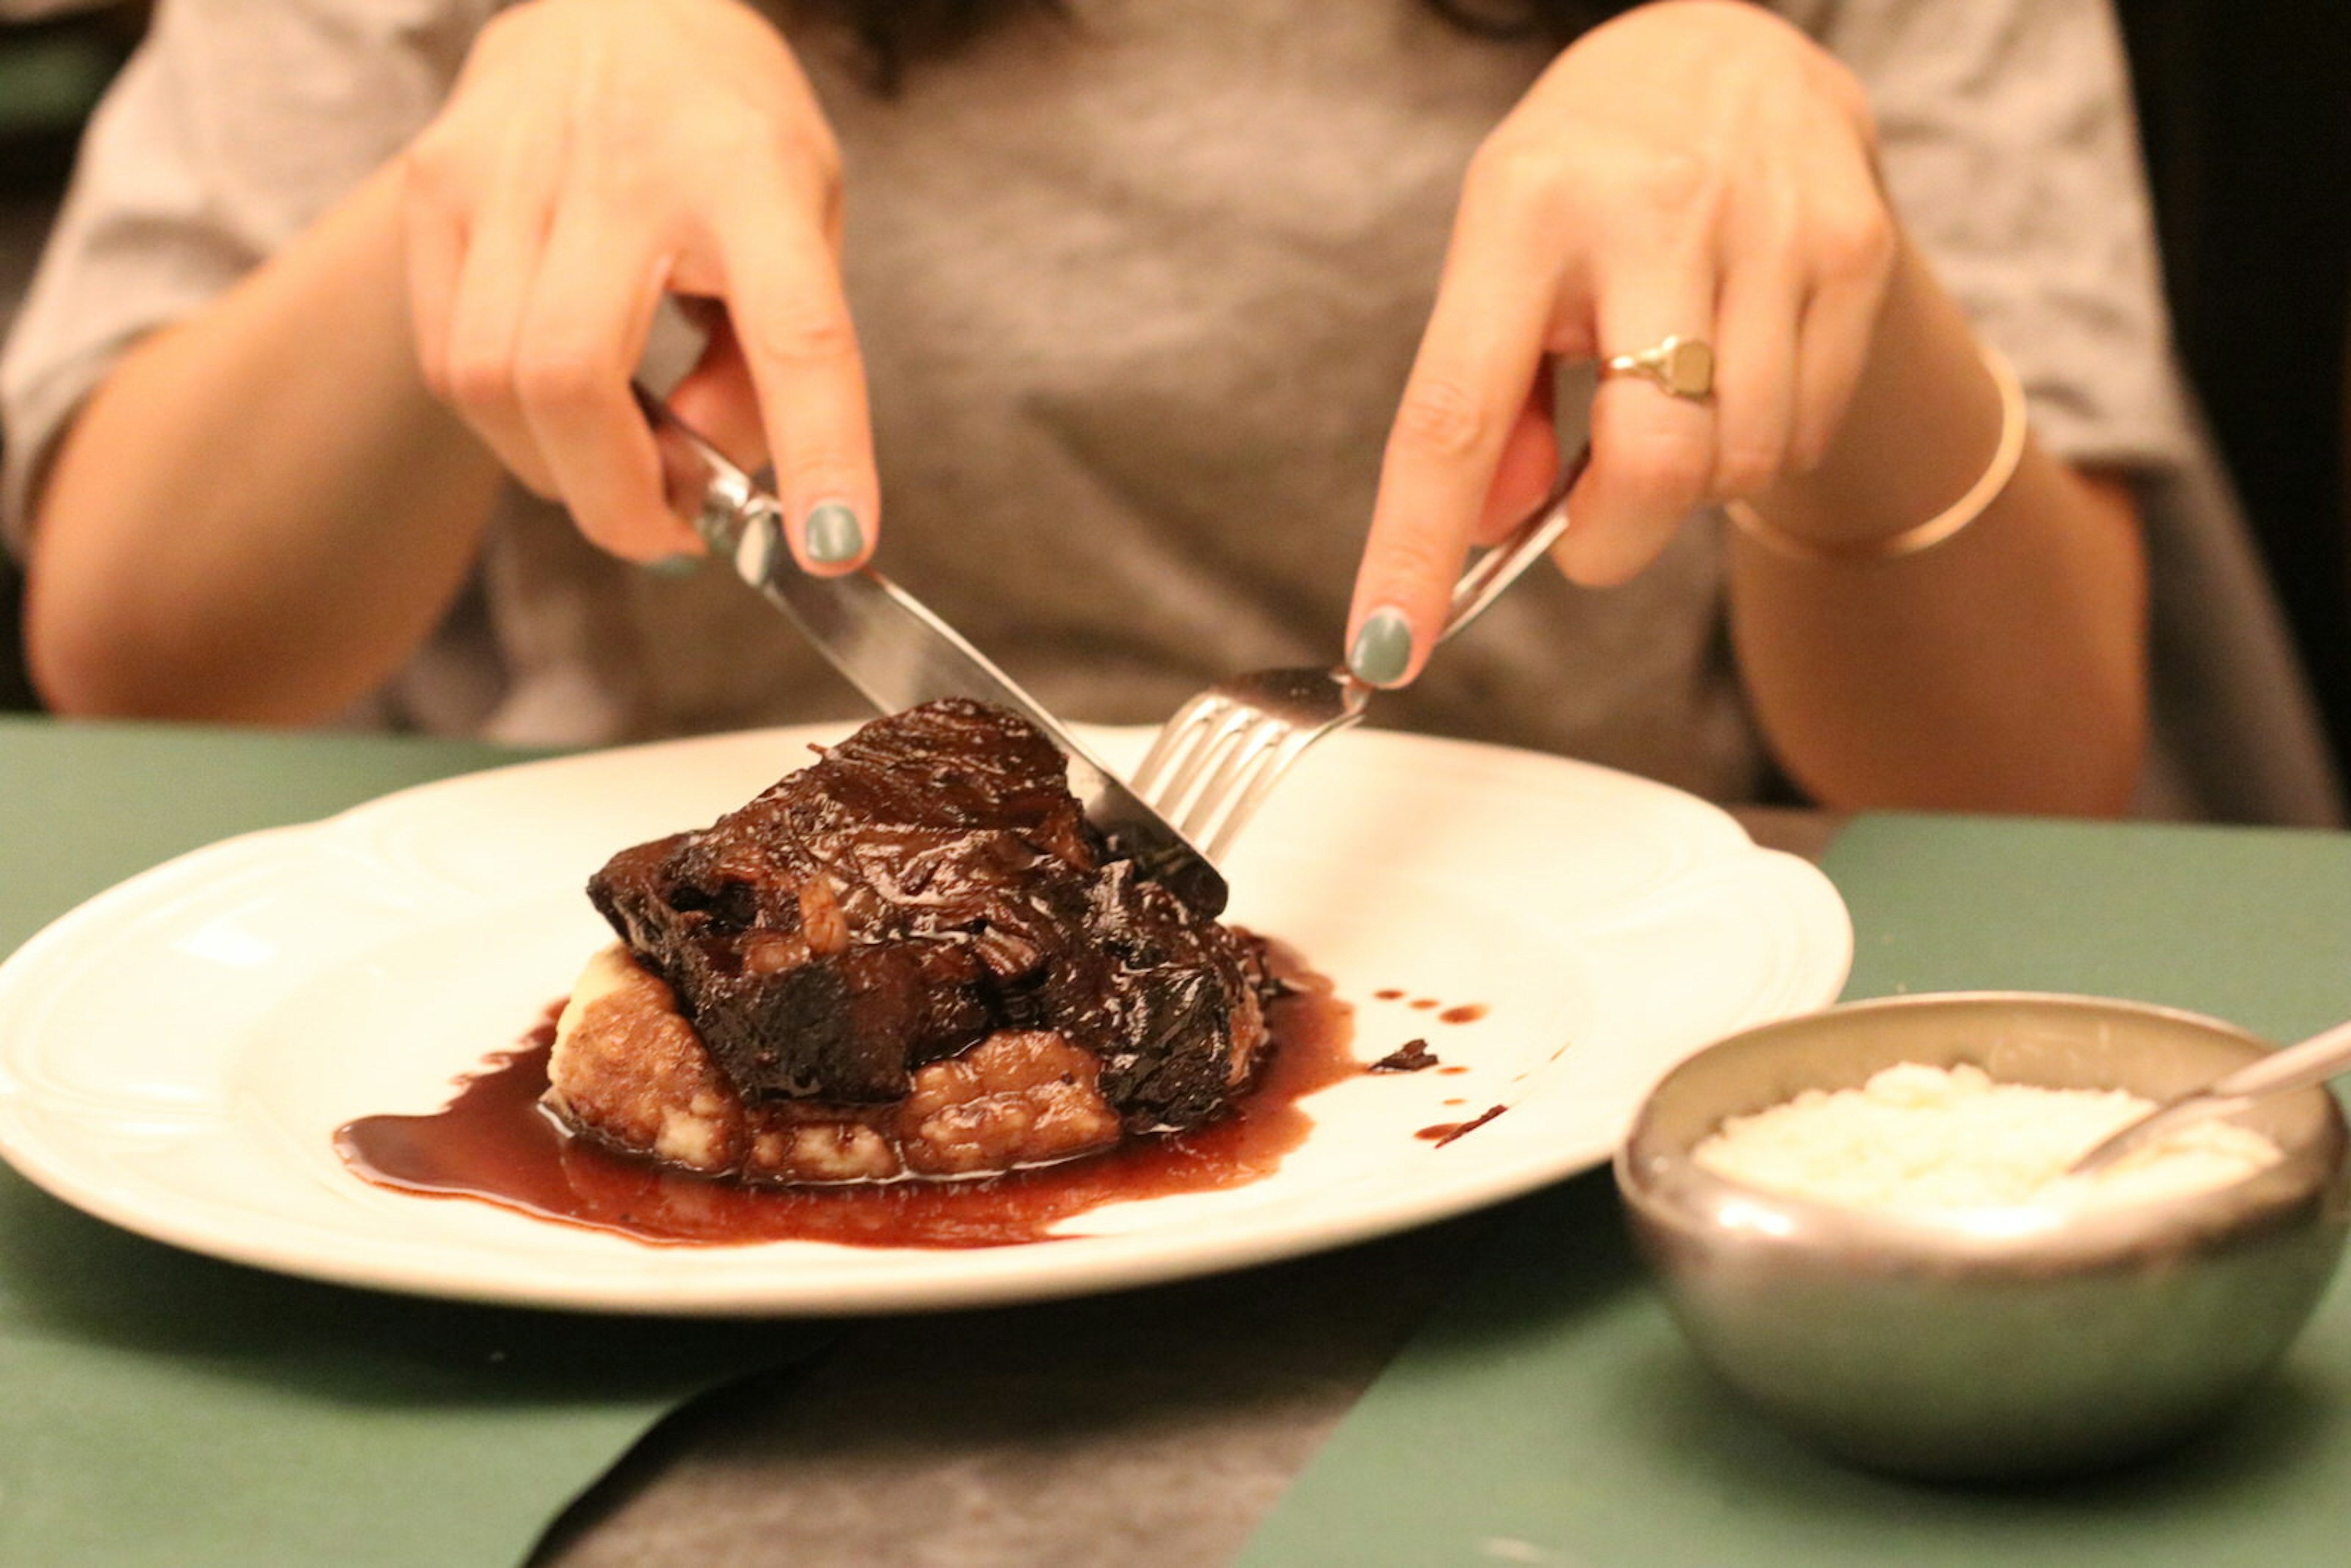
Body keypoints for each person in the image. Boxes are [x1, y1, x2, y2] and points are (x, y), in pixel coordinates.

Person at [0, 0, 2337, 822]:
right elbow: (140, 644)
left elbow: (2028, 768)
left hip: (1565, 1099)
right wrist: (486, 152)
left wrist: (1820, 270)